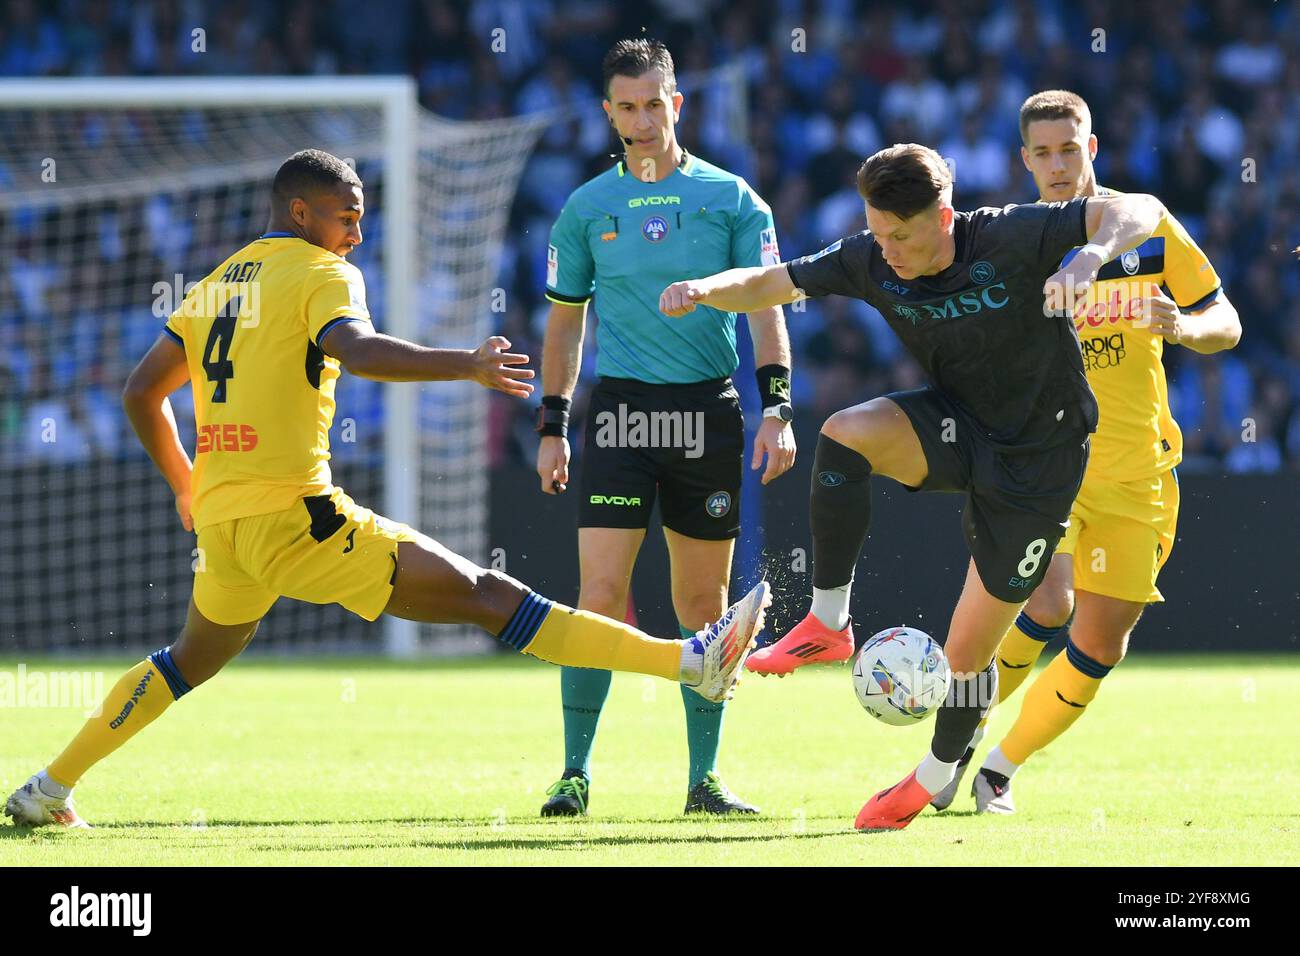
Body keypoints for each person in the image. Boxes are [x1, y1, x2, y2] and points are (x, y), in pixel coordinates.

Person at [5, 149, 769, 830]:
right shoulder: (322, 273)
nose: (356, 236)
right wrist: (465, 365)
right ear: (300, 212)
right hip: (297, 517)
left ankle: (50, 784)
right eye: (347, 217)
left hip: (225, 525)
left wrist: (188, 485)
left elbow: (142, 392)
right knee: (487, 594)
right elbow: (359, 350)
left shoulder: (217, 280)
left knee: (184, 663)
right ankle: (687, 663)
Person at [660, 142, 1167, 831]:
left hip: (1041, 466)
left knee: (966, 657)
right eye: (876, 231)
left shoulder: (1010, 233)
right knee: (844, 431)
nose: (886, 250)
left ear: (944, 217)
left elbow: (1142, 209)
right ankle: (830, 621)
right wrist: (705, 290)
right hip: (961, 424)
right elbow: (774, 283)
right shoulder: (872, 259)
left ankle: (931, 779)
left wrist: (1086, 255)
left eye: (900, 234)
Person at [929, 91, 1241, 814]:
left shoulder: (1147, 226)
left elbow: (1224, 319)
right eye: (1042, 153)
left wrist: (1185, 328)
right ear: (1024, 160)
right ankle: (950, 745)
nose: (1057, 165)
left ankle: (999, 768)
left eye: (1069, 149)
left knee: (1100, 642)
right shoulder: (1011, 242)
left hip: (1137, 470)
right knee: (1043, 597)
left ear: (1091, 149)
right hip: (1045, 467)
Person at [535, 38, 795, 817]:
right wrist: (553, 425)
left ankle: (703, 782)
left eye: (656, 103)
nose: (643, 118)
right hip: (619, 416)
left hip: (707, 417)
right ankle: (574, 774)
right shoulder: (586, 208)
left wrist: (778, 410)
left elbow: (767, 306)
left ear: (677, 104)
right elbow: (564, 326)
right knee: (599, 596)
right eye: (627, 106)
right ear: (609, 112)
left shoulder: (733, 198)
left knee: (702, 605)